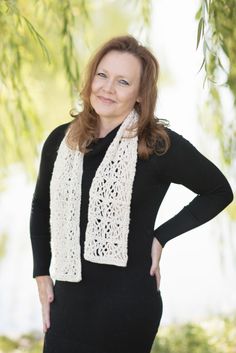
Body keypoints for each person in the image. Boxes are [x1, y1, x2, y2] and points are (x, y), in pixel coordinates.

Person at [29, 35, 233, 353]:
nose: (107, 88)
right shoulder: (61, 141)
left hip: (128, 312)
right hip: (67, 309)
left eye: (123, 82)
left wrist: (162, 236)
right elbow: (42, 206)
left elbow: (218, 191)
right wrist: (41, 272)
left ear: (139, 94)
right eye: (102, 75)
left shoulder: (156, 145)